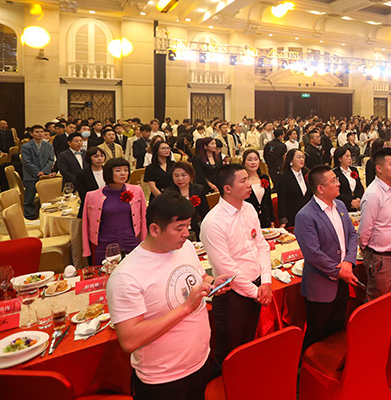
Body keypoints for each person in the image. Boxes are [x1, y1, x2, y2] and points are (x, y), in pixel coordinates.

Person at [107, 192, 223, 400]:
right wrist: (185, 308)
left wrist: (213, 283)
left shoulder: (185, 247)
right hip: (164, 379)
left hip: (200, 362)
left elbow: (200, 277)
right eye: (179, 228)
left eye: (188, 226)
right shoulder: (126, 275)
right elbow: (130, 340)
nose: (186, 233)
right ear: (154, 229)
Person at [200, 164, 272, 373]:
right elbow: (227, 268)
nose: (250, 184)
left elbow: (261, 245)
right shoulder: (213, 222)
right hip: (232, 295)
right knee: (230, 351)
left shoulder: (249, 208)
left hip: (257, 287)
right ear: (227, 188)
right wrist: (256, 292)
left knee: (248, 343)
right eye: (243, 180)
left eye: (248, 178)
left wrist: (266, 281)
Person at [295, 165, 360, 351]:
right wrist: (341, 272)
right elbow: (313, 253)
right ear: (321, 188)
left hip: (342, 282)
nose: (338, 183)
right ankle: (309, 365)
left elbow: (352, 235)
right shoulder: (305, 215)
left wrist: (348, 262)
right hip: (321, 285)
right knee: (317, 334)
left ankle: (333, 363)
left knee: (337, 330)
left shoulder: (340, 205)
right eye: (334, 181)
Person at [358, 147, 391, 301]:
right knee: (377, 303)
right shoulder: (373, 194)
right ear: (379, 168)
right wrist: (368, 251)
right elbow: (364, 230)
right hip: (381, 259)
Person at [82, 158, 147, 265]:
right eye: (118, 170)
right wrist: (86, 250)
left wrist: (144, 242)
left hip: (131, 242)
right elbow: (85, 225)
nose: (123, 173)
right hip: (105, 244)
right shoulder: (92, 196)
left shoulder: (137, 190)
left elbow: (143, 218)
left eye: (126, 170)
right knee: (105, 272)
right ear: (108, 173)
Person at [20, 124, 57, 220]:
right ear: (31, 134)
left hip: (45, 175)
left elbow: (51, 160)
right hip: (31, 175)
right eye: (37, 132)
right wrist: (37, 172)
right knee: (29, 198)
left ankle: (45, 216)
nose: (40, 134)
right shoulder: (26, 146)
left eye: (41, 132)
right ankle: (29, 216)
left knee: (46, 197)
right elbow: (26, 162)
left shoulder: (48, 145)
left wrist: (44, 171)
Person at [165, 161, 210, 238]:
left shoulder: (198, 189)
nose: (180, 179)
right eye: (176, 176)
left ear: (190, 175)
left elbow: (205, 212)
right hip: (177, 230)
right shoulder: (168, 193)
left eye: (184, 175)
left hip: (197, 228)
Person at [275, 148, 310, 228]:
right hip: (293, 216)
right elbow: (282, 200)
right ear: (291, 160)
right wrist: (283, 219)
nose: (301, 159)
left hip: (308, 214)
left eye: (303, 157)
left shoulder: (307, 173)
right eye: (298, 157)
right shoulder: (284, 177)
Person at [242, 148, 274, 228]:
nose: (253, 162)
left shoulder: (264, 177)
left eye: (256, 159)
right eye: (249, 160)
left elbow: (268, 200)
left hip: (265, 218)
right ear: (244, 162)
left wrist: (272, 219)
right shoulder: (242, 180)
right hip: (248, 219)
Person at [334, 146, 363, 212]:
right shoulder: (335, 173)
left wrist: (358, 199)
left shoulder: (354, 170)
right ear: (340, 159)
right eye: (347, 156)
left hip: (356, 204)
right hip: (342, 205)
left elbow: (359, 187)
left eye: (350, 156)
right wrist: (350, 201)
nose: (350, 158)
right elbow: (337, 192)